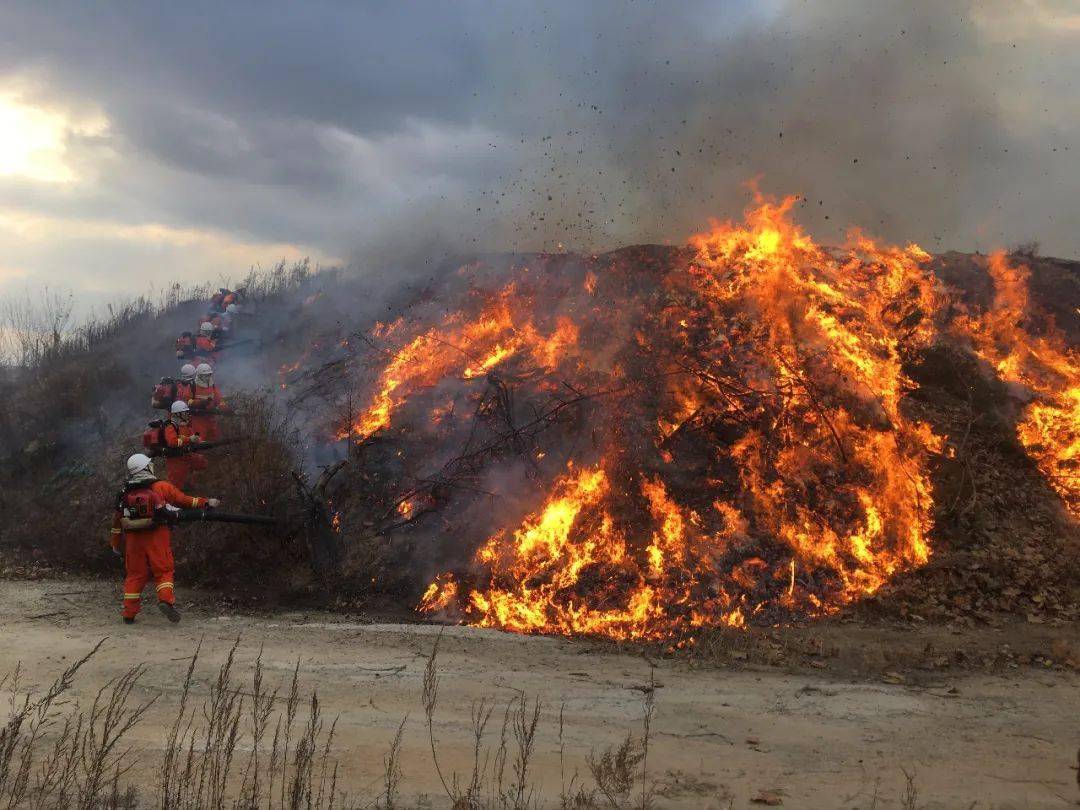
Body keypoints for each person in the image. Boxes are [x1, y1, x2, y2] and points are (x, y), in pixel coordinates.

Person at [110, 453, 219, 624]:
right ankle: (165, 601)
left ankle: (129, 613)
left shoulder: (125, 492)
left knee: (135, 574)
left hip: (133, 538)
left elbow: (117, 519)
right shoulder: (161, 487)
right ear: (146, 467)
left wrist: (115, 542)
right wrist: (206, 502)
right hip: (157, 535)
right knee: (164, 570)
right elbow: (184, 500)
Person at [161, 400, 209, 488]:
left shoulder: (184, 425)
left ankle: (190, 485)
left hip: (186, 454)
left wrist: (200, 441)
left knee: (202, 463)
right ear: (177, 414)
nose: (187, 414)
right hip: (175, 458)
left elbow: (193, 436)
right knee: (176, 483)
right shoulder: (170, 426)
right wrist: (189, 439)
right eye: (184, 412)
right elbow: (172, 442)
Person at [189, 363, 228, 441]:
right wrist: (200, 403)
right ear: (199, 375)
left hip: (210, 417)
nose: (207, 377)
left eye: (208, 375)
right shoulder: (192, 386)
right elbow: (188, 402)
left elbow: (219, 398)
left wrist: (223, 405)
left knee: (214, 436)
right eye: (205, 375)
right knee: (200, 438)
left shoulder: (212, 386)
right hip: (197, 419)